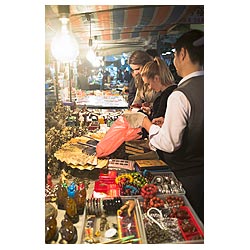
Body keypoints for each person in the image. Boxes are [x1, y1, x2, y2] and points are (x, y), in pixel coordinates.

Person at [124, 30, 204, 222]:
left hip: (187, 178)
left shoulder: (180, 95)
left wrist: (147, 123)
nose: (174, 60)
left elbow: (169, 144)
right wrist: (165, 123)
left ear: (183, 54)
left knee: (192, 225)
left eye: (175, 54)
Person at [140, 56, 177, 122]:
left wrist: (144, 120)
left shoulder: (167, 96)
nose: (149, 88)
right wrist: (150, 112)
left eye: (148, 84)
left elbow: (157, 126)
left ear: (156, 78)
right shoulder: (173, 90)